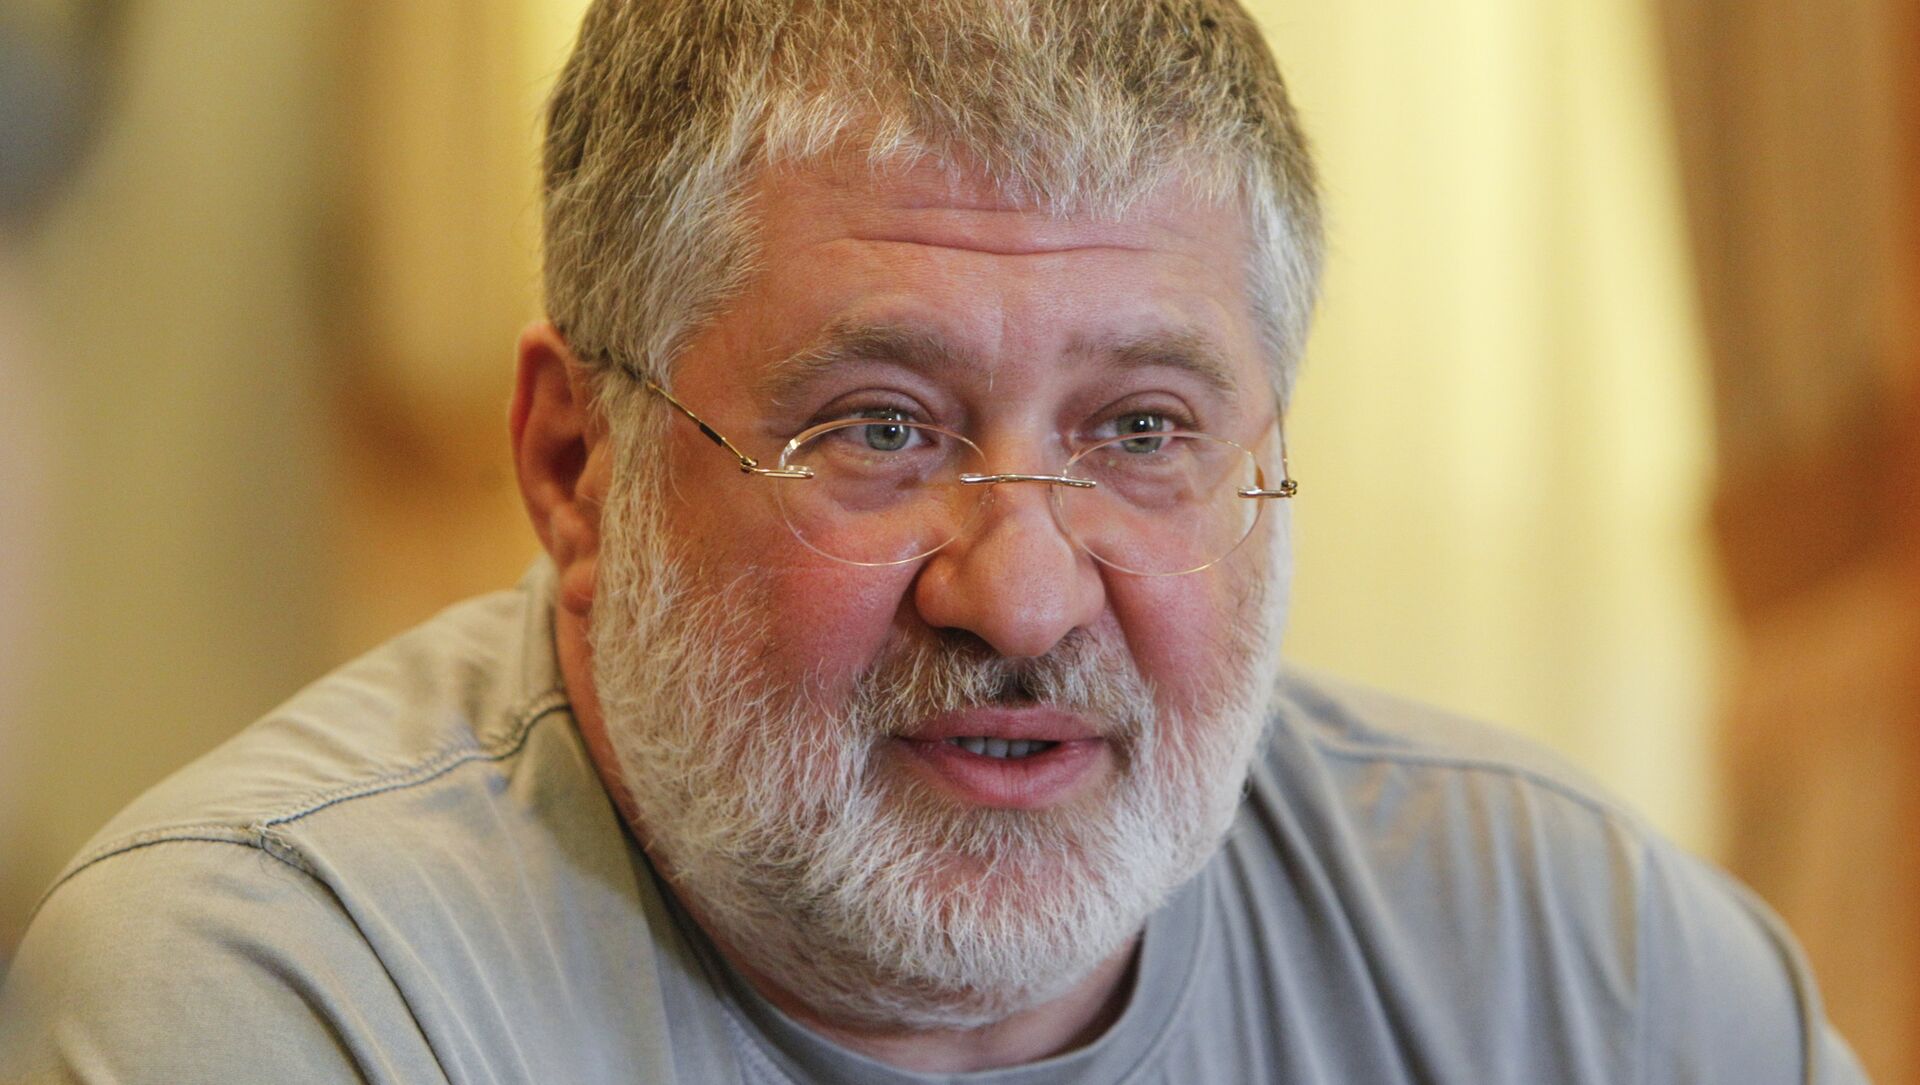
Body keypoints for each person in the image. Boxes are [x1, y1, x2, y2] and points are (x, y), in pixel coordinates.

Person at [0, 1, 1868, 1081]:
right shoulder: (282, 990)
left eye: (1143, 433)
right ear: (576, 468)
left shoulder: (1580, 963)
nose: (1026, 595)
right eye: (880, 430)